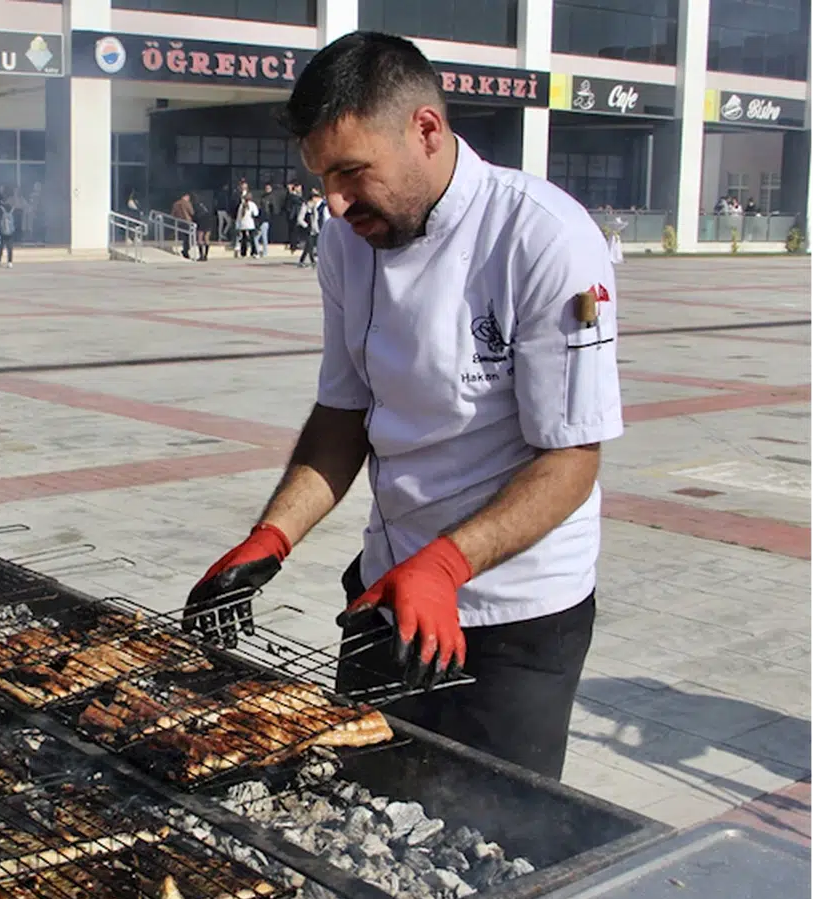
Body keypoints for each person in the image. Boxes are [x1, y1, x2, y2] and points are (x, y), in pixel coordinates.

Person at [182, 32, 623, 781]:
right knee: (355, 802)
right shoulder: (347, 242)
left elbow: (572, 459)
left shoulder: (544, 238)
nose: (334, 202)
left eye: (351, 172)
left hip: (514, 616)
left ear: (425, 130)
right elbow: (343, 412)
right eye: (323, 178)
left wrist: (447, 564)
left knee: (492, 832)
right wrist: (272, 536)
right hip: (385, 592)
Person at [297, 188, 326, 267]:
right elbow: (300, 219)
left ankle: (302, 261)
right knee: (310, 245)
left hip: (314, 229)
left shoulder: (315, 207)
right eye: (316, 198)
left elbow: (316, 219)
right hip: (307, 229)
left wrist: (316, 229)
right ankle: (312, 261)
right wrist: (306, 226)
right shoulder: (305, 206)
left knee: (308, 246)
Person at [235, 185, 259, 258]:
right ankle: (254, 252)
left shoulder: (241, 206)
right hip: (250, 224)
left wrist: (237, 225)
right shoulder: (252, 204)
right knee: (252, 239)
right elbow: (256, 213)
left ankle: (243, 253)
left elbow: (239, 216)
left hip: (243, 224)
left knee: (244, 239)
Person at [0, 188, 16, 268]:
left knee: (1, 245)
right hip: (10, 230)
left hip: (2, 230)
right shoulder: (11, 208)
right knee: (10, 247)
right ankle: (10, 262)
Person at [171, 192, 196, 259]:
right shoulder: (187, 203)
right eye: (188, 197)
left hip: (179, 222)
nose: (189, 198)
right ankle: (186, 251)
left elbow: (173, 214)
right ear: (186, 196)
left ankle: (185, 250)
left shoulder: (176, 204)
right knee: (188, 237)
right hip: (187, 221)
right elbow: (192, 212)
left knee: (183, 237)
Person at [257, 182, 276, 257]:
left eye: (268, 188)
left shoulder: (271, 198)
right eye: (266, 188)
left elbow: (273, 208)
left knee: (262, 236)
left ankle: (264, 251)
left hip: (266, 218)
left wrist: (270, 217)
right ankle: (262, 251)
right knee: (261, 236)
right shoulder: (263, 197)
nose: (267, 189)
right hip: (262, 218)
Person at [193, 195, 215, 262]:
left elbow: (195, 215)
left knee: (200, 238)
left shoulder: (196, 206)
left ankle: (201, 255)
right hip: (209, 221)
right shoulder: (207, 205)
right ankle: (205, 255)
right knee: (206, 238)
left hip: (201, 221)